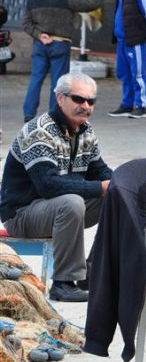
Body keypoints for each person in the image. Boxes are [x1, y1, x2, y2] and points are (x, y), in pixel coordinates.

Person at [0, 72, 112, 302]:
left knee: (117, 194)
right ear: (60, 98)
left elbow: (99, 170)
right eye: (79, 99)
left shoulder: (86, 130)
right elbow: (48, 186)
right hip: (22, 214)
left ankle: (91, 272)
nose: (86, 106)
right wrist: (100, 186)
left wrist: (121, 183)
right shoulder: (40, 131)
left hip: (56, 209)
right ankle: (63, 283)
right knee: (72, 202)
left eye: (91, 101)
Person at [21, 0, 106, 123]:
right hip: (61, 43)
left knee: (36, 79)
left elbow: (26, 22)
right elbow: (88, 5)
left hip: (40, 44)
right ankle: (54, 115)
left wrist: (39, 35)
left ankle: (28, 114)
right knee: (58, 82)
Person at [107, 0, 146, 119]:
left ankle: (140, 106)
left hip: (135, 38)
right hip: (122, 39)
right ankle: (127, 104)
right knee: (124, 73)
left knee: (138, 73)